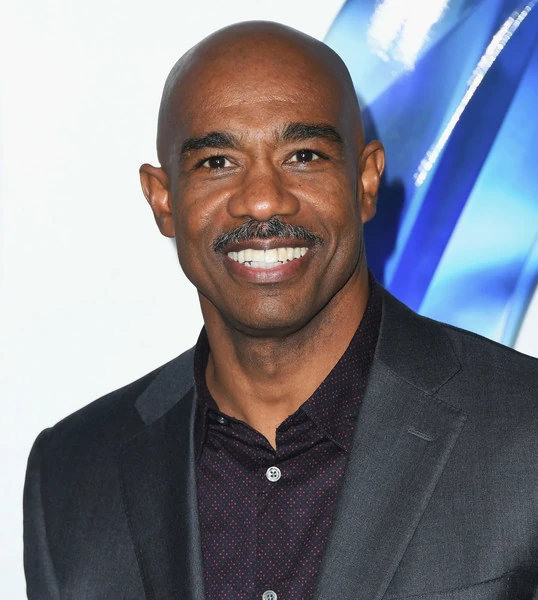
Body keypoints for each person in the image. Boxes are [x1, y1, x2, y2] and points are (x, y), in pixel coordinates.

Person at [23, 21, 538, 600]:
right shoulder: (70, 474)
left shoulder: (525, 430)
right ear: (163, 199)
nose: (264, 200)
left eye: (303, 155)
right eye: (217, 162)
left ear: (365, 180)